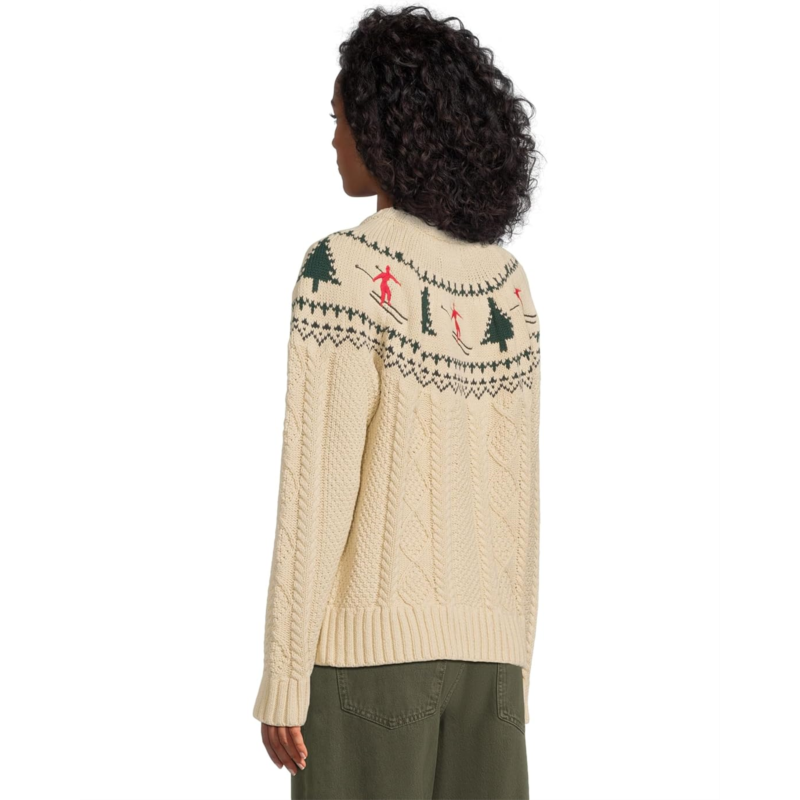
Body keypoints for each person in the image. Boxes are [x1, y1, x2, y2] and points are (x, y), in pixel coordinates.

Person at [253, 6, 541, 799]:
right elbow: (518, 506)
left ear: (386, 128)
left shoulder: (342, 268)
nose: (334, 139)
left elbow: (317, 487)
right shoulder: (507, 286)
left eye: (340, 118)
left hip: (366, 668)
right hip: (492, 668)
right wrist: (516, 671)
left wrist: (284, 675)